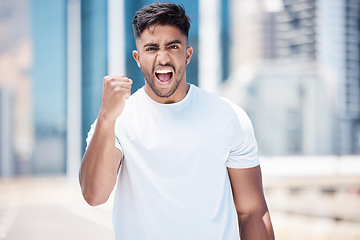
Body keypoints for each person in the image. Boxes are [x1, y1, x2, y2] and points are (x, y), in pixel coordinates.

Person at [79, 2, 275, 240]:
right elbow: (94, 194)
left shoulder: (228, 116)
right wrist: (106, 117)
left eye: (172, 46)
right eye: (151, 48)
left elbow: (252, 211)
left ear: (188, 54)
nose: (162, 58)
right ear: (138, 58)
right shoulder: (118, 119)